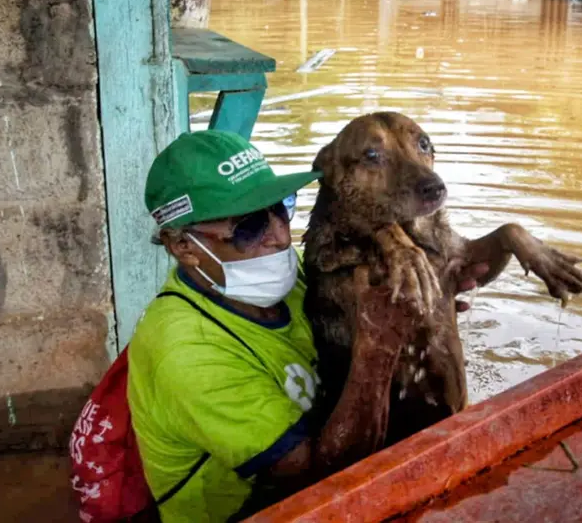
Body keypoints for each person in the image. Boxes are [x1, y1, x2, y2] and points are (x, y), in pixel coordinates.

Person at [128, 130, 485, 522]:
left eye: (280, 209)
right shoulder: (185, 352)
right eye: (248, 229)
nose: (280, 237)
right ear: (183, 247)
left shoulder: (295, 275)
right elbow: (315, 479)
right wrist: (379, 347)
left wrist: (426, 309)